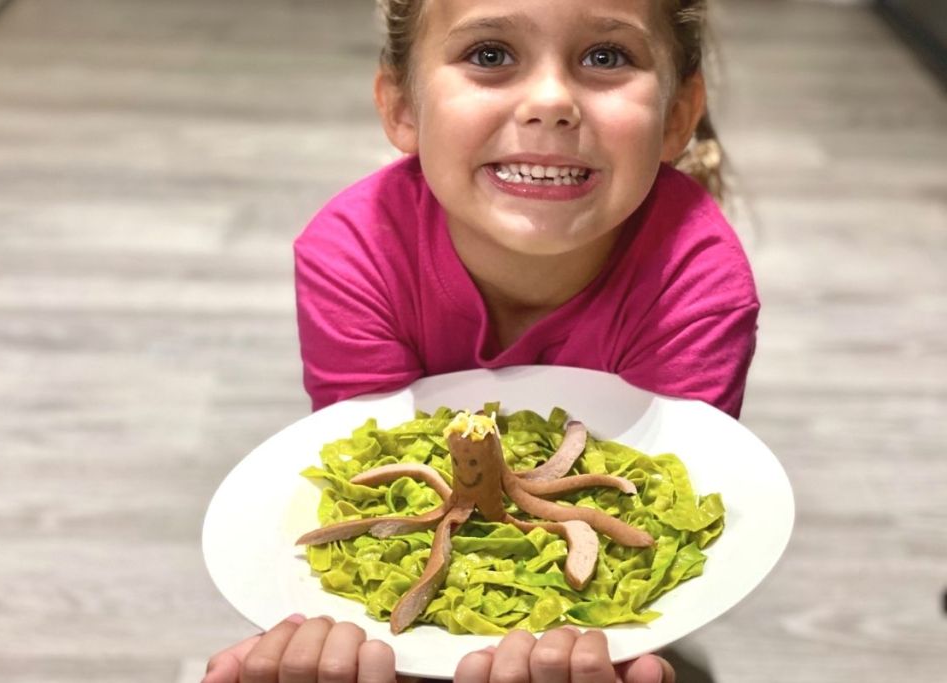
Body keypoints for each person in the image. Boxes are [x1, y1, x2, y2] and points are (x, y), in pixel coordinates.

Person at [205, 0, 756, 681]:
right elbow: (370, 473)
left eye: (606, 57)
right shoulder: (352, 253)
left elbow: (660, 513)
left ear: (677, 116)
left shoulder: (695, 280)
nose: (551, 101)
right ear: (402, 106)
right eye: (490, 55)